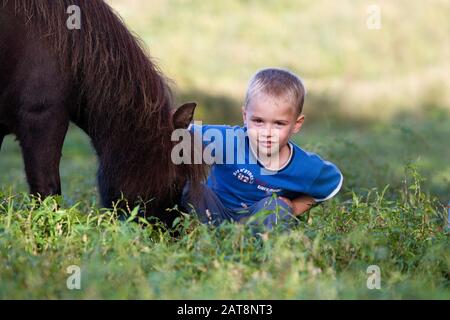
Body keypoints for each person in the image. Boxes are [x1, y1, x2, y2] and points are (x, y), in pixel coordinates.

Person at [179, 68, 343, 233]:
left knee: (277, 207)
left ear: (297, 124)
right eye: (258, 121)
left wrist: (294, 207)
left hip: (257, 223)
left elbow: (333, 183)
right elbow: (177, 132)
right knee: (188, 188)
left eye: (279, 123)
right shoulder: (227, 140)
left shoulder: (305, 166)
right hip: (214, 211)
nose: (267, 132)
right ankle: (191, 234)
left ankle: (266, 250)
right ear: (245, 116)